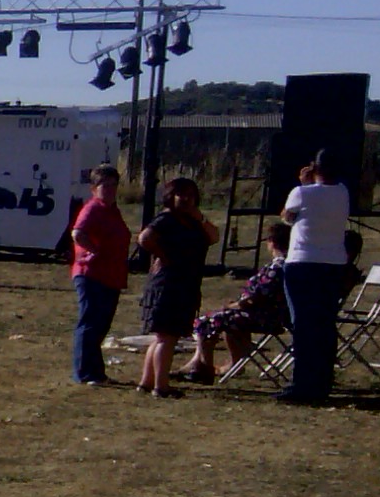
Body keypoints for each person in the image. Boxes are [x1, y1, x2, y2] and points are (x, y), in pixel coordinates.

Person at [276, 154, 352, 404]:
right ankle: (323, 381)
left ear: (314, 168)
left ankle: (303, 383)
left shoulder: (301, 192)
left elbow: (286, 217)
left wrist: (303, 183)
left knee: (303, 324)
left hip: (303, 262)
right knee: (325, 324)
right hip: (333, 264)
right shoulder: (343, 192)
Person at [132, 176, 216, 397]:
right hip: (168, 284)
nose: (186, 199)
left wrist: (200, 217)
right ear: (171, 196)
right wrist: (163, 256)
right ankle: (161, 386)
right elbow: (145, 238)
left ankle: (147, 382)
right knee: (167, 337)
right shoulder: (166, 219)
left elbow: (214, 237)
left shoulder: (193, 221)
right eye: (181, 195)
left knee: (164, 337)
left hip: (186, 283)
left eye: (191, 195)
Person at [182, 222, 290, 382]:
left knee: (207, 321)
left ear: (272, 242)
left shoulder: (276, 268)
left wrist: (232, 306)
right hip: (275, 314)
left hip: (265, 316)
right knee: (229, 321)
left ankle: (204, 367)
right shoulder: (291, 265)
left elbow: (254, 299)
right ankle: (232, 364)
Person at [68, 164, 132, 386]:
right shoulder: (93, 208)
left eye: (114, 185)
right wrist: (95, 251)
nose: (111, 190)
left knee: (101, 324)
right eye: (105, 185)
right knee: (90, 322)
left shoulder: (112, 210)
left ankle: (96, 371)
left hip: (111, 275)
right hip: (91, 273)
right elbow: (78, 233)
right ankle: (84, 373)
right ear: (94, 188)